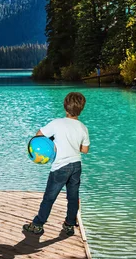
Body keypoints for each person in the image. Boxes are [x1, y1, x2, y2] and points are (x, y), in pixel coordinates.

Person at [23, 92, 90, 237]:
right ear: (81, 109)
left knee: (49, 197)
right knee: (73, 197)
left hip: (60, 167)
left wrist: (52, 142)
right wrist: (73, 144)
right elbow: (85, 150)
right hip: (76, 166)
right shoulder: (83, 127)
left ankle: (38, 224)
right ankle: (69, 225)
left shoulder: (57, 123)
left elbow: (38, 135)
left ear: (65, 107)